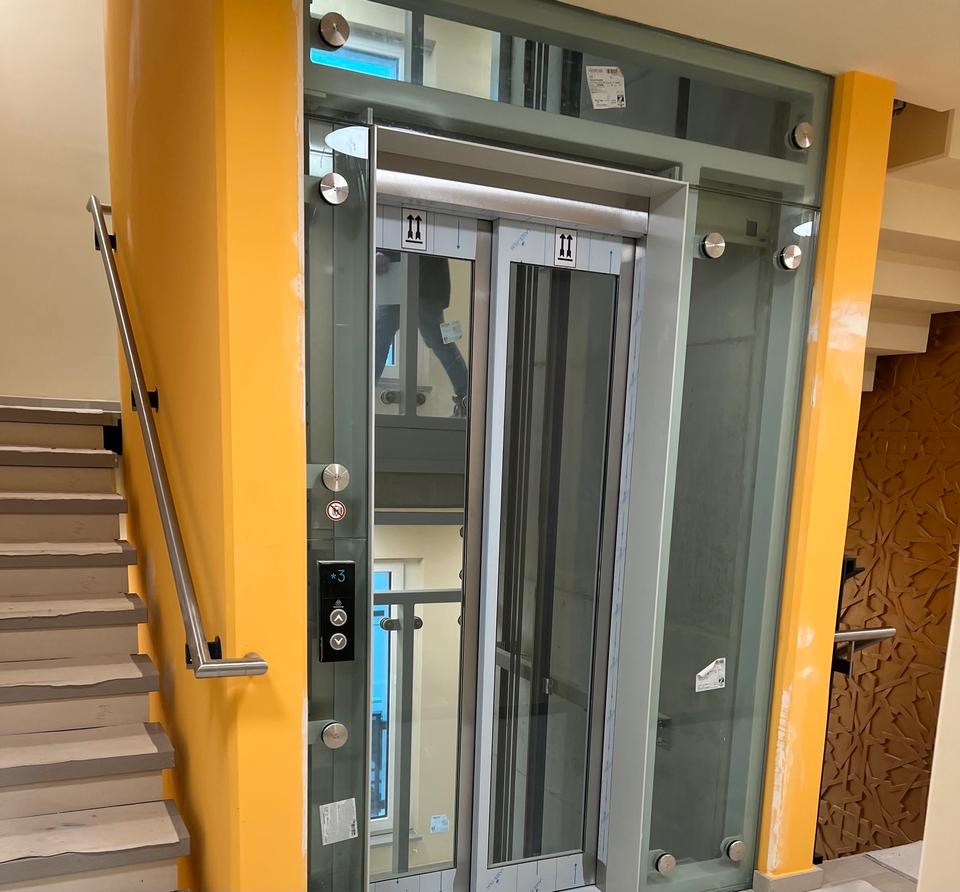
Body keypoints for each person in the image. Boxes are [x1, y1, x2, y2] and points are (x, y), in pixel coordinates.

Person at [375, 250, 468, 416]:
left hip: (416, 278)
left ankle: (467, 398)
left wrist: (379, 253)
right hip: (415, 279)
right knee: (437, 340)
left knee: (379, 339)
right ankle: (466, 398)